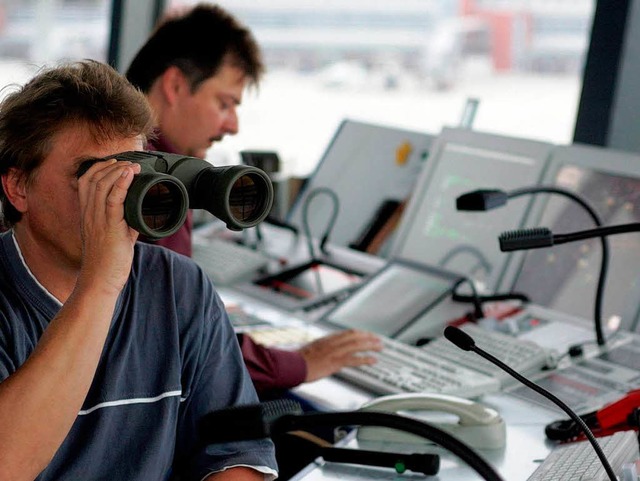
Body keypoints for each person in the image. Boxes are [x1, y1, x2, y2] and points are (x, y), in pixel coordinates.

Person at [0, 60, 276, 480]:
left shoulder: (179, 288)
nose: (118, 197)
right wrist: (101, 282)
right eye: (96, 178)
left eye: (132, 174)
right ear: (18, 186)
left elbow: (237, 456)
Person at [126, 3, 382, 399]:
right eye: (224, 103)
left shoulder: (109, 148)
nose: (233, 125)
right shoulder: (159, 190)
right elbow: (187, 342)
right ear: (175, 86)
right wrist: (301, 362)